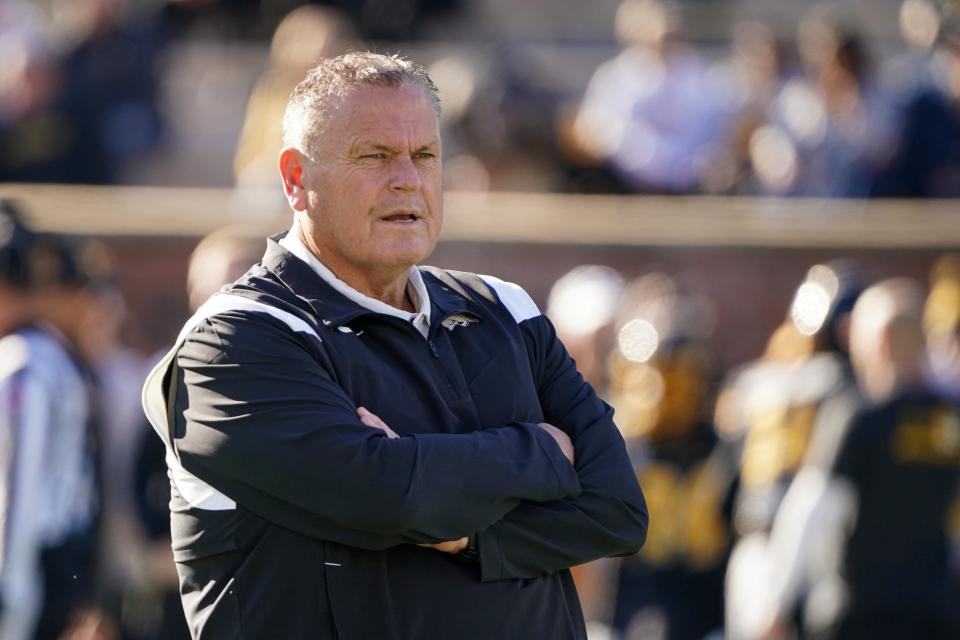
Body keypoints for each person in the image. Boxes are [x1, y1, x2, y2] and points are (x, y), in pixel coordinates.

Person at [142, 51, 648, 638]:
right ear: (296, 179)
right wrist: (542, 450)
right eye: (374, 156)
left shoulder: (504, 308)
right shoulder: (235, 339)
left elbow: (618, 510)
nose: (407, 177)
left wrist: (467, 534)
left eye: (425, 155)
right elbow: (391, 499)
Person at [759, 278, 960, 639]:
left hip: (859, 613)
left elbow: (812, 508)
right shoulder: (950, 420)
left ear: (878, 344)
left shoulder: (858, 416)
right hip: (933, 612)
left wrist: (777, 602)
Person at [0, 204, 104, 639]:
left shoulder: (27, 365)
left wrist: (11, 598)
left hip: (29, 572)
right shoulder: (54, 359)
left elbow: (21, 500)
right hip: (56, 567)